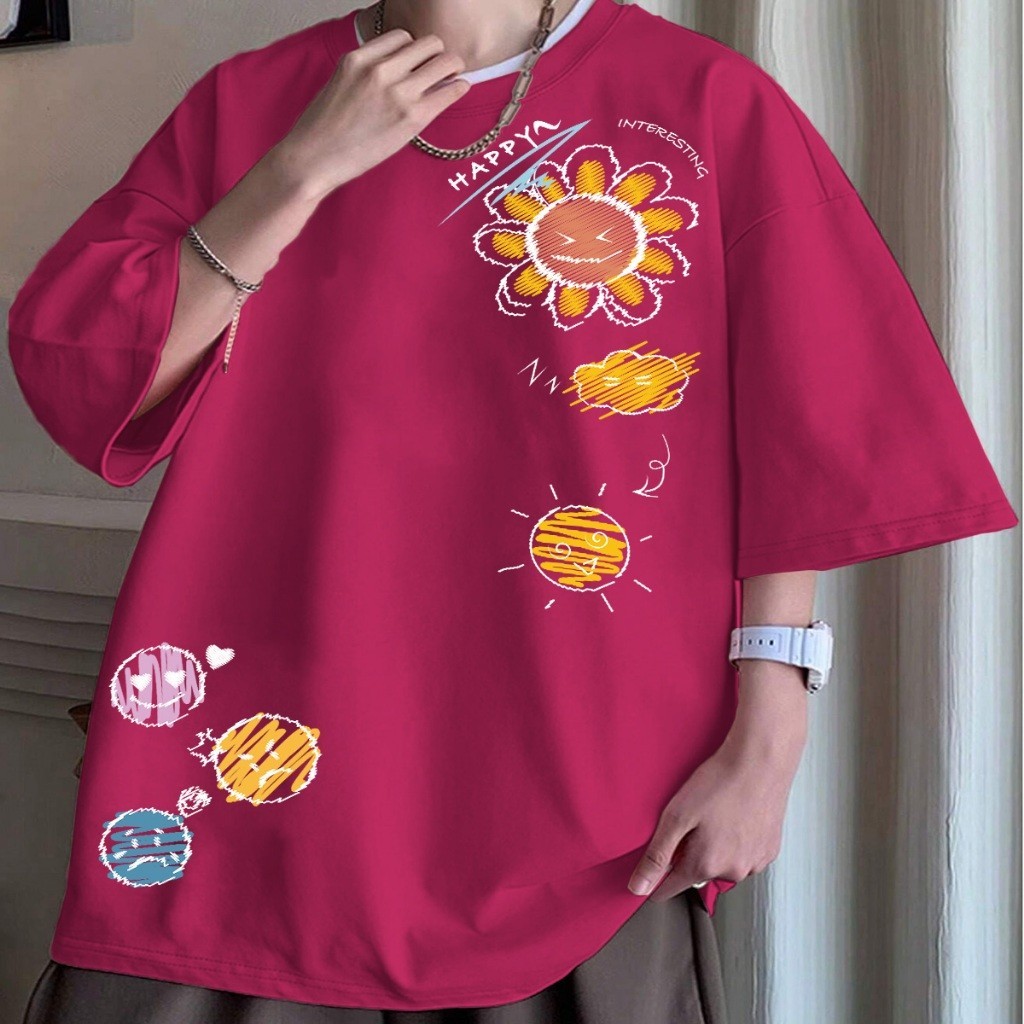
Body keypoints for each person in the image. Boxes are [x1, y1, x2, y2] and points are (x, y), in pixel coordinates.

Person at [9, 0, 1018, 1021]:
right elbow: (96, 374)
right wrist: (297, 172)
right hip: (260, 763)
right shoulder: (248, 103)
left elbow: (811, 423)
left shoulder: (704, 101)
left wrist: (770, 735)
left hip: (580, 780)